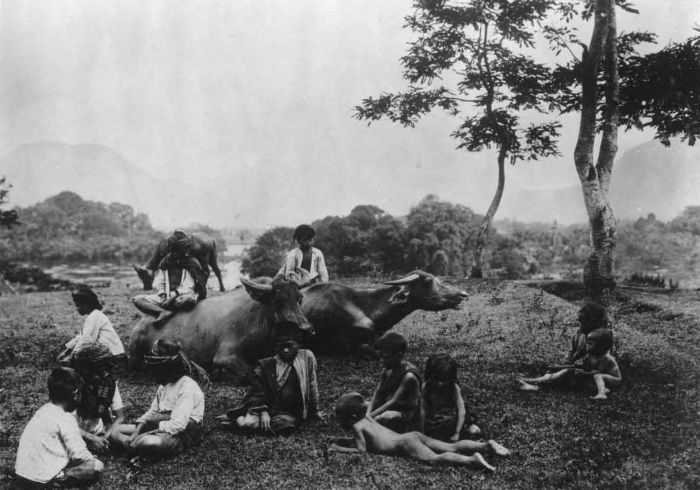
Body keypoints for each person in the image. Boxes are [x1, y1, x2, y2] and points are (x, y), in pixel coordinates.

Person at [329, 392, 510, 470]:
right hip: (412, 436)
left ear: (352, 417)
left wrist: (339, 448)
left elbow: (362, 450)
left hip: (404, 444)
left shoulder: (356, 426)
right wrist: (342, 440)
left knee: (434, 458)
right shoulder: (367, 417)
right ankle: (487, 446)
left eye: (341, 418)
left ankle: (471, 460)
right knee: (451, 446)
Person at [219, 322, 324, 435]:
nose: (285, 350)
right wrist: (263, 411)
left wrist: (315, 411)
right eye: (280, 347)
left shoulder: (307, 357)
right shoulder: (267, 365)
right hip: (269, 407)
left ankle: (237, 423)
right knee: (250, 424)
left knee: (284, 425)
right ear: (274, 347)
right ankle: (240, 419)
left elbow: (312, 385)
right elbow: (258, 392)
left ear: (298, 343)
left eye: (289, 345)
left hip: (289, 413)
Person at [111, 340, 206, 462]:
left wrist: (144, 434)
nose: (153, 375)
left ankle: (136, 447)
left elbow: (177, 426)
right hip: (159, 425)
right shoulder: (164, 385)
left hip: (181, 434)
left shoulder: (187, 387)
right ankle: (133, 446)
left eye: (156, 370)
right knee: (115, 431)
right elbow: (152, 412)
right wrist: (137, 431)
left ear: (167, 368)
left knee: (147, 441)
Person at [15, 367, 104, 489]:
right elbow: (79, 454)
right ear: (75, 394)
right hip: (41, 480)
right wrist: (89, 460)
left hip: (21, 475)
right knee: (96, 466)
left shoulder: (43, 411)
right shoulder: (66, 418)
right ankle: (59, 480)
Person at [518, 328, 622, 400]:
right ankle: (534, 382)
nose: (586, 346)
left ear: (601, 346)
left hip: (612, 380)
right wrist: (559, 367)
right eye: (587, 343)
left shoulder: (605, 357)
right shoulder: (590, 355)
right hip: (595, 380)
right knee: (566, 372)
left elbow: (598, 372)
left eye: (590, 344)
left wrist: (582, 373)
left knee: (596, 376)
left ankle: (602, 393)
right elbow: (579, 366)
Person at [132, 230, 206, 327]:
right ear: (170, 248)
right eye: (173, 250)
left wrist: (172, 297)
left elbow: (188, 286)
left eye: (177, 250)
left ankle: (168, 310)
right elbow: (160, 282)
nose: (174, 253)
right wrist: (162, 295)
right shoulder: (165, 262)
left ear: (184, 250)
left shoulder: (191, 263)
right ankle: (162, 312)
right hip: (166, 298)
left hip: (181, 297)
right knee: (137, 299)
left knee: (188, 300)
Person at [69, 340, 124, 451]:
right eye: (96, 372)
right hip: (73, 432)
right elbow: (63, 423)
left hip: (98, 430)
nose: (99, 377)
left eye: (103, 372)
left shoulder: (107, 382)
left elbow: (119, 417)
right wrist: (90, 438)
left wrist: (106, 436)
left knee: (122, 435)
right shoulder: (71, 384)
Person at [366, 332, 421, 433]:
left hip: (405, 413)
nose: (382, 361)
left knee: (383, 418)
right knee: (356, 404)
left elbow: (393, 401)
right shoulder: (387, 370)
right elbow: (378, 392)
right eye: (381, 357)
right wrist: (368, 414)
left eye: (386, 357)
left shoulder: (409, 376)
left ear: (399, 355)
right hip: (388, 405)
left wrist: (371, 416)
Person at [420, 353, 480, 442]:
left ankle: (467, 428)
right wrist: (422, 432)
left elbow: (461, 411)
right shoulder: (426, 387)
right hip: (434, 420)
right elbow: (422, 410)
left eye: (444, 380)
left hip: (451, 420)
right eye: (436, 379)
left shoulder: (453, 388)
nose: (439, 384)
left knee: (473, 428)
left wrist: (457, 433)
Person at [57, 286, 124, 364]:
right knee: (79, 352)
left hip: (114, 354)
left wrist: (70, 357)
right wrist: (66, 352)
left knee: (81, 354)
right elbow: (80, 337)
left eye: (78, 305)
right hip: (109, 352)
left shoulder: (95, 316)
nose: (77, 308)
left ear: (87, 304)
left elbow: (86, 339)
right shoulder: (93, 315)